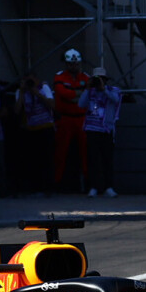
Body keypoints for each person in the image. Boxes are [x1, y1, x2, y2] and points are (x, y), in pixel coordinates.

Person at [51, 49, 92, 192]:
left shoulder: (86, 77)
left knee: (85, 152)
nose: (73, 66)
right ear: (66, 64)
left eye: (76, 64)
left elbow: (89, 94)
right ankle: (57, 183)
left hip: (81, 119)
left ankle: (88, 183)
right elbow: (62, 93)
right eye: (70, 64)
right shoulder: (60, 76)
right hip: (65, 119)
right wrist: (78, 95)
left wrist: (73, 97)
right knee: (60, 152)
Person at [80, 66, 123, 197]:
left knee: (107, 160)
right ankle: (94, 187)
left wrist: (104, 89)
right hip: (92, 129)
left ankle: (108, 187)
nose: (99, 82)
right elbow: (81, 104)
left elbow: (116, 100)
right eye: (97, 80)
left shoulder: (112, 90)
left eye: (102, 79)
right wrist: (88, 89)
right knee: (93, 159)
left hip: (106, 129)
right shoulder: (90, 91)